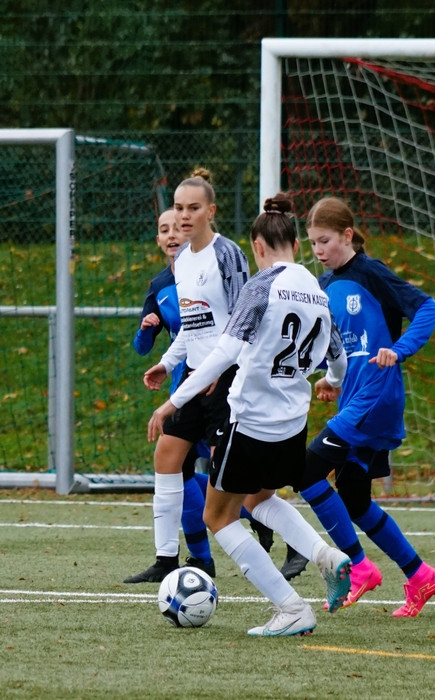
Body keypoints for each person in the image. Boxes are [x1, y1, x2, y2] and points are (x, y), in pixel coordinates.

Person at [147, 192, 352, 636]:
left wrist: (172, 401)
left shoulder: (261, 286)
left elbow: (223, 353)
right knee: (260, 499)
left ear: (257, 247)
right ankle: (326, 555)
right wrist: (332, 382)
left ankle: (291, 607)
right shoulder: (317, 290)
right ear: (295, 244)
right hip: (292, 423)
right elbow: (338, 356)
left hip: (251, 419)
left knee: (218, 517)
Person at [302, 196, 435, 618]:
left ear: (347, 235)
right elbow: (343, 348)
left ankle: (359, 568)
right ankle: (420, 575)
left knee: (306, 472)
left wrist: (399, 350)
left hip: (376, 396)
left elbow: (428, 308)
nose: (319, 250)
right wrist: (332, 380)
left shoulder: (371, 273)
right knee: (353, 496)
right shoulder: (325, 285)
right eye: (313, 243)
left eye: (325, 241)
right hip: (355, 398)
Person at [125, 168, 250, 584]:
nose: (183, 215)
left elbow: (241, 323)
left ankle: (297, 543)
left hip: (227, 377)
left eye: (193, 208)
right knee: (167, 454)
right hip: (196, 377)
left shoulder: (227, 254)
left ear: (210, 211)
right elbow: (193, 329)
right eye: (178, 207)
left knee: (235, 481)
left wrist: (219, 369)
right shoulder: (182, 262)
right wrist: (166, 362)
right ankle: (166, 558)